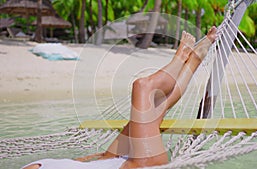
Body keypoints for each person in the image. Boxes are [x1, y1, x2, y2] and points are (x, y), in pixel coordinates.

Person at [22, 27, 217, 169]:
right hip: (139, 165)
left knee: (157, 107)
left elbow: (75, 163)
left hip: (108, 160)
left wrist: (95, 157)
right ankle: (180, 59)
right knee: (142, 87)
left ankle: (194, 59)